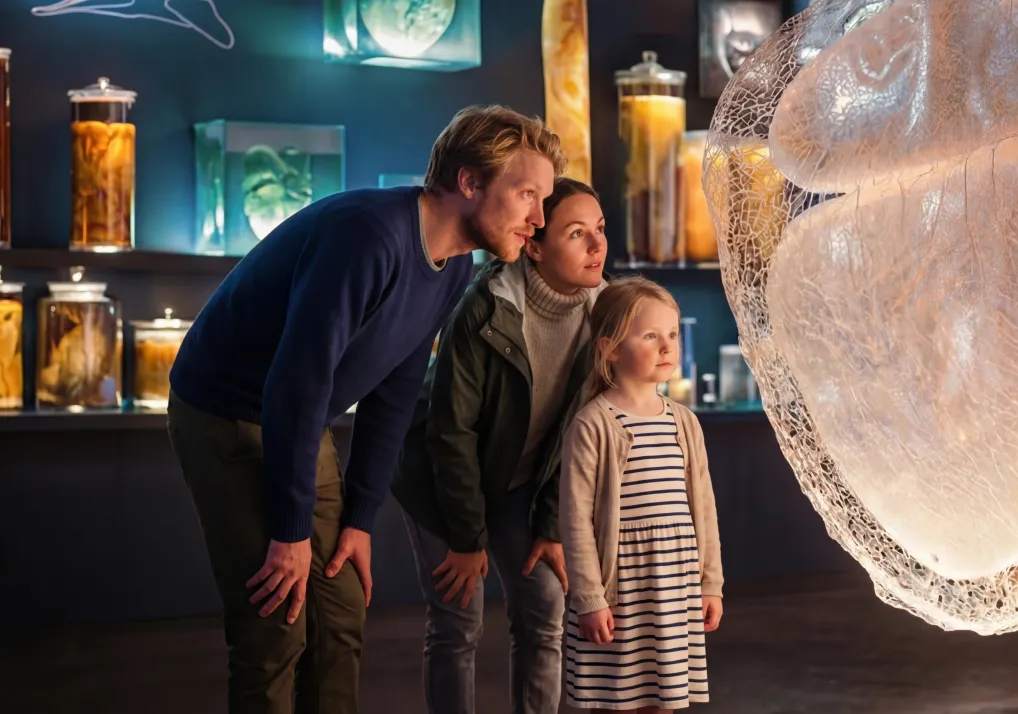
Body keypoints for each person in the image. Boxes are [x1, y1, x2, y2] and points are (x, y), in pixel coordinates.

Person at [165, 104, 566, 714]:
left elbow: (395, 388)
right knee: (275, 620)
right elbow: (296, 383)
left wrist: (357, 518)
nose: (539, 220)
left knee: (342, 604)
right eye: (527, 195)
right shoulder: (369, 237)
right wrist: (290, 531)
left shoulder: (455, 263)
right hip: (226, 411)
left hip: (299, 417)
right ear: (470, 182)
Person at [391, 176, 609, 714]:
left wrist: (550, 526)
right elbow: (450, 432)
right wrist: (467, 540)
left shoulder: (606, 318)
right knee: (457, 621)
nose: (598, 246)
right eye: (577, 233)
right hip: (442, 478)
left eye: (600, 230)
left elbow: (581, 440)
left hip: (523, 483)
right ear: (534, 243)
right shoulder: (483, 307)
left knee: (544, 612)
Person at [559, 277, 725, 712]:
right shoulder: (593, 425)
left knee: (663, 698)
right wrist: (590, 598)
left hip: (675, 585)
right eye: (651, 336)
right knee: (616, 697)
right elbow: (575, 522)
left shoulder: (685, 422)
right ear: (612, 348)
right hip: (623, 590)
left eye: (672, 334)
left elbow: (704, 510)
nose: (667, 347)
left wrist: (711, 583)